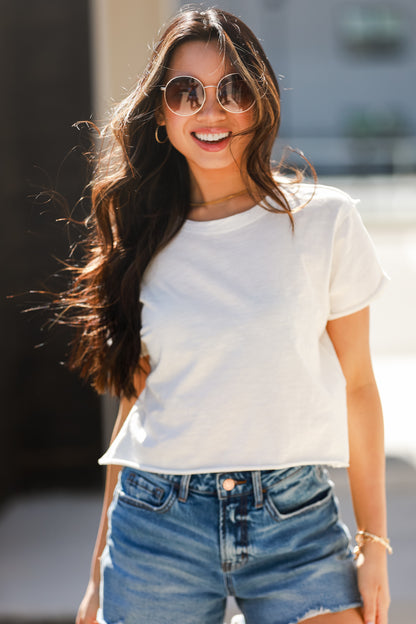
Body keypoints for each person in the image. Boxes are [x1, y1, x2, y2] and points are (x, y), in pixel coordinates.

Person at [71, 7, 391, 624]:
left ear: (261, 103)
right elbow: (136, 409)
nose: (210, 111)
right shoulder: (138, 238)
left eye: (232, 90)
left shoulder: (325, 220)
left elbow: (358, 386)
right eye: (184, 92)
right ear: (161, 117)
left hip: (294, 522)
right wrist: (95, 574)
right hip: (156, 522)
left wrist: (373, 541)